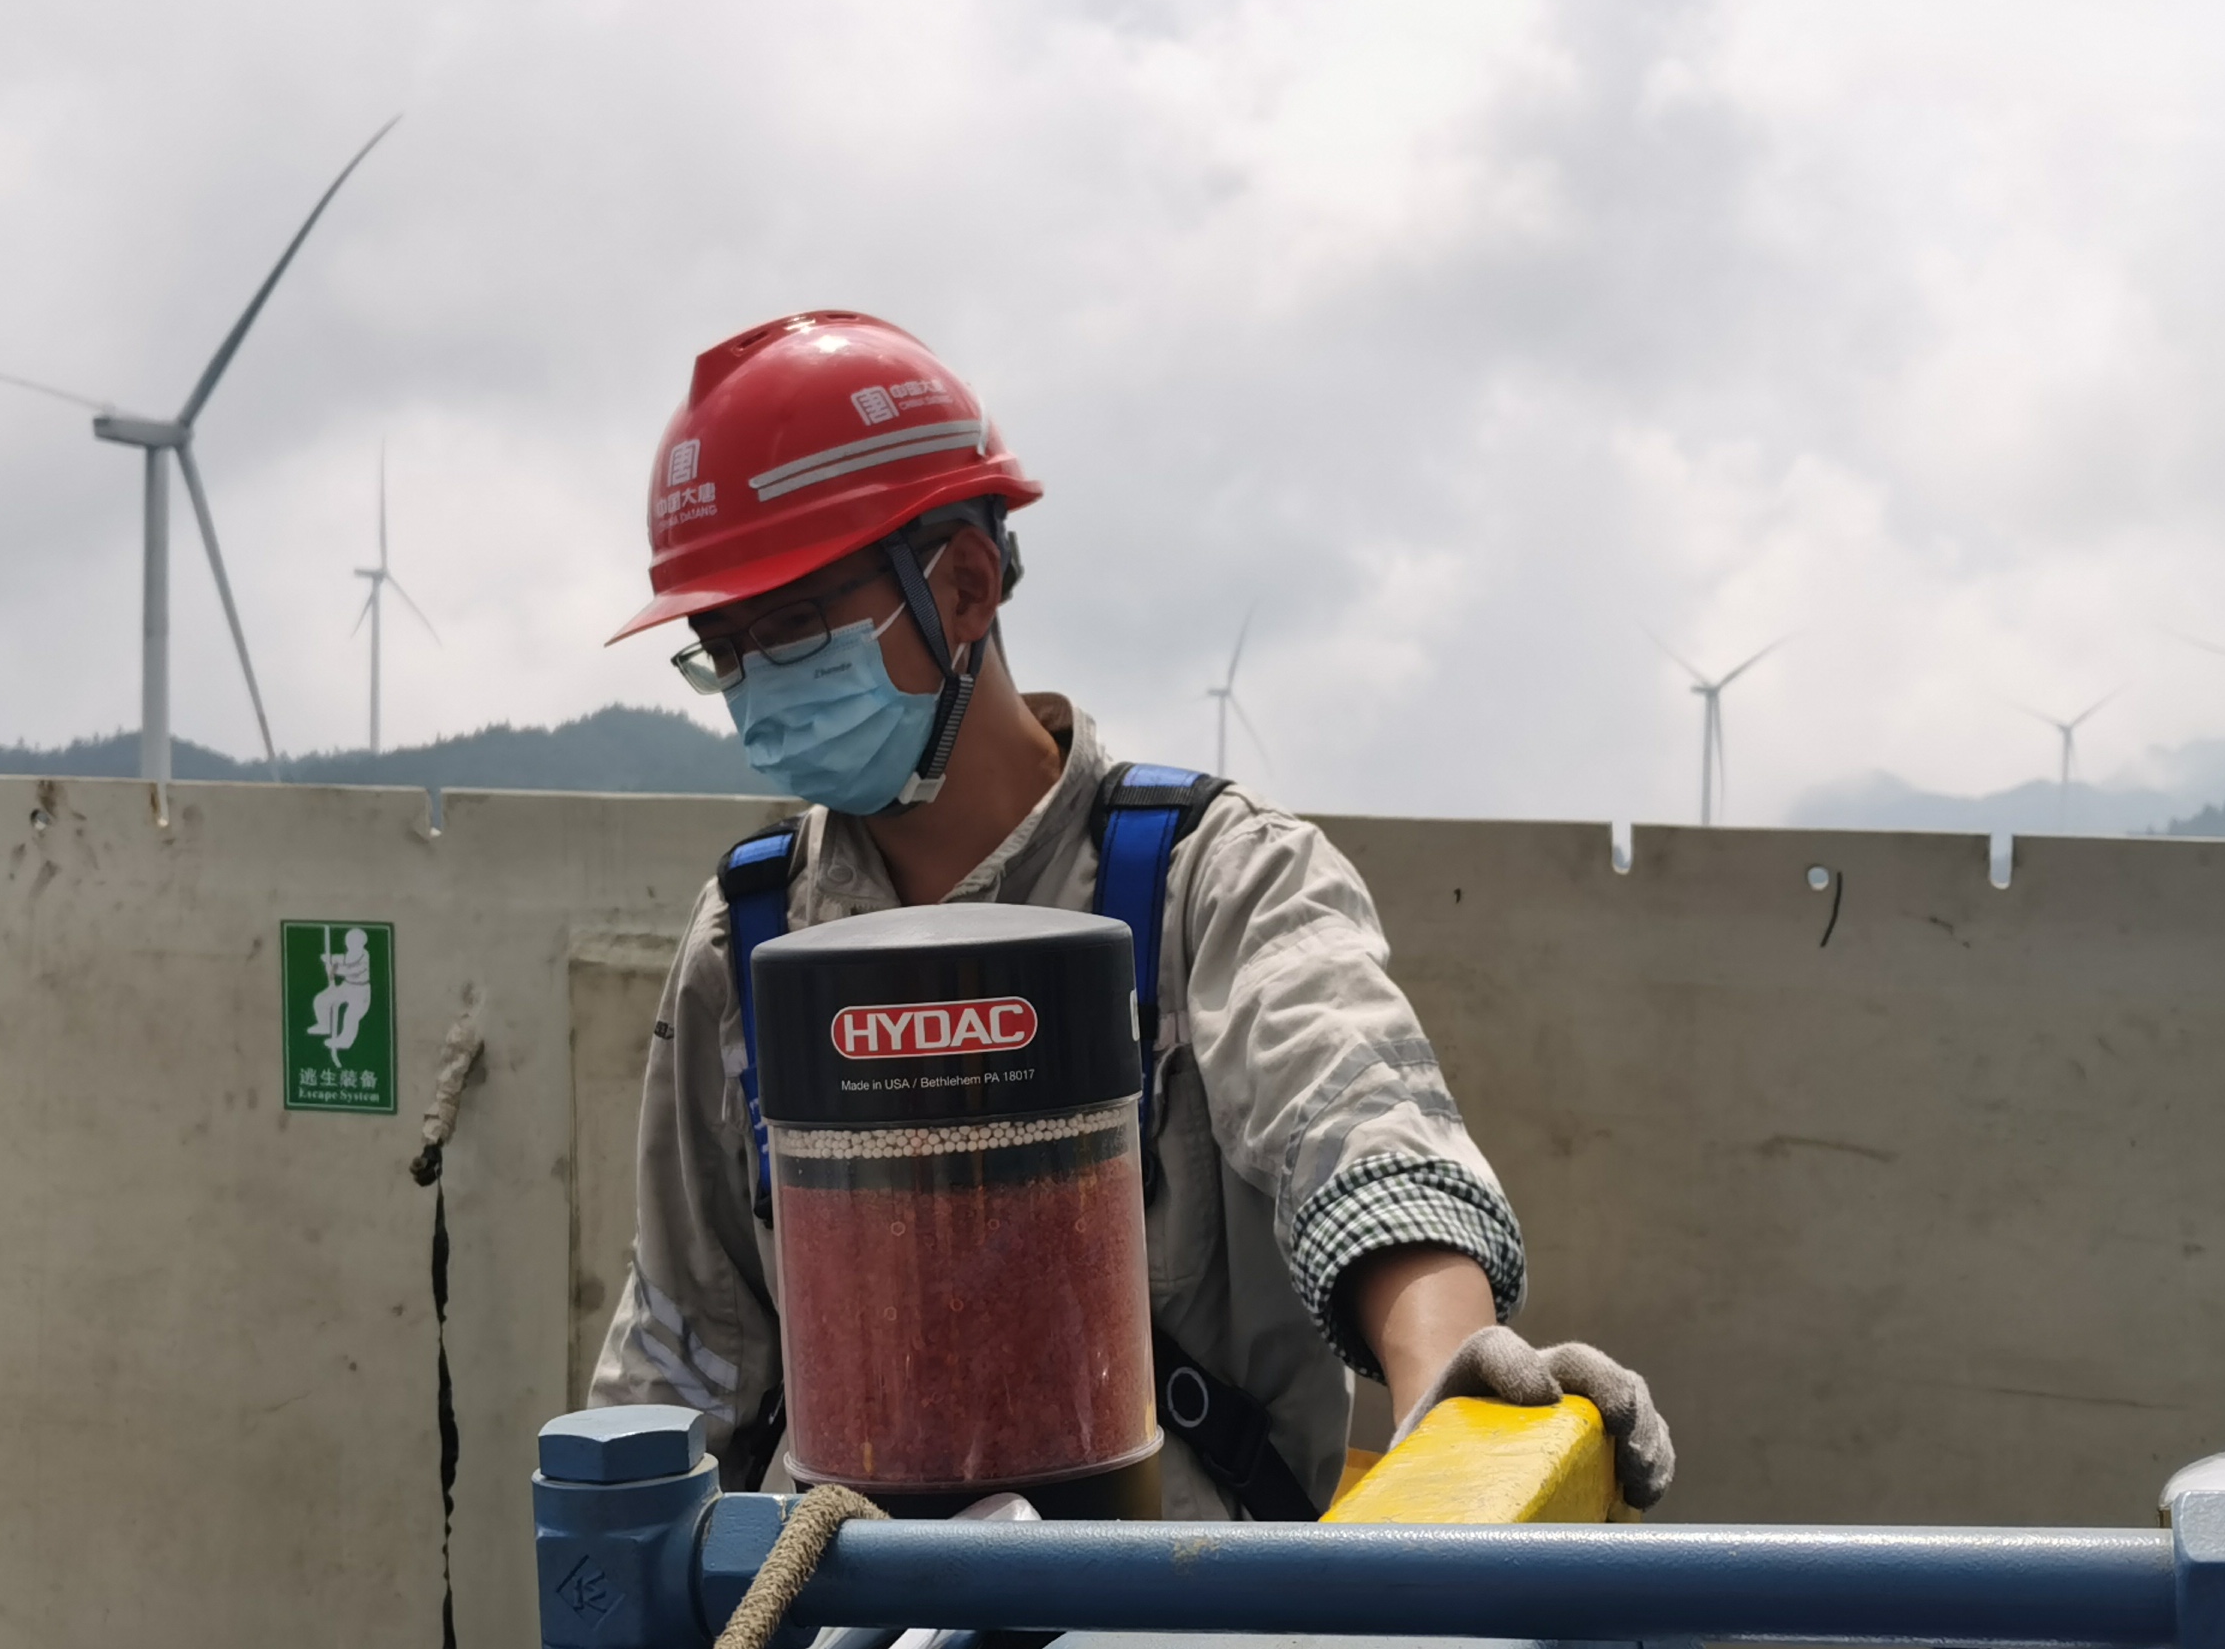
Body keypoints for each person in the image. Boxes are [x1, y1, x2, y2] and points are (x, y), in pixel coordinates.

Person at [585, 310, 1674, 1520]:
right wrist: (620, 1573)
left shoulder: (1211, 880)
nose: (757, 691)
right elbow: (686, 1333)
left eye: (791, 630)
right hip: (837, 1617)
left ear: (964, 587)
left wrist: (1451, 1381)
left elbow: (1359, 1126)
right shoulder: (747, 942)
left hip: (1175, 1618)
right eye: (723, 649)